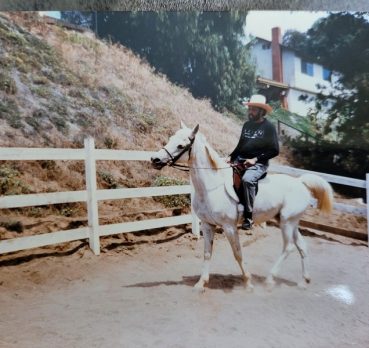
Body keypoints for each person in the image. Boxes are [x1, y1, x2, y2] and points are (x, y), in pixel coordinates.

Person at [227, 94, 279, 230]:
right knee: (224, 176)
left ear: (262, 111)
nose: (250, 112)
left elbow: (274, 150)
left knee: (248, 180)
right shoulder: (247, 125)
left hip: (258, 163)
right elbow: (240, 145)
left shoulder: (269, 128)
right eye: (250, 109)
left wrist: (255, 159)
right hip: (241, 160)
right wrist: (231, 157)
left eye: (254, 110)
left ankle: (248, 217)